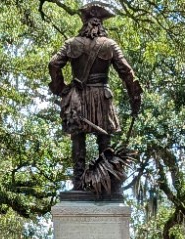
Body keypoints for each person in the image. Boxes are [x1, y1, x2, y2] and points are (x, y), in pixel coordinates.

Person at [48, 1, 142, 189]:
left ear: (84, 22)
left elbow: (53, 64)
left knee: (78, 139)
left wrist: (61, 88)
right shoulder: (110, 45)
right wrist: (135, 97)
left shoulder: (71, 43)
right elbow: (127, 72)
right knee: (104, 140)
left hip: (78, 97)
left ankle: (78, 181)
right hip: (101, 96)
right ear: (101, 24)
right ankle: (107, 180)